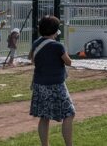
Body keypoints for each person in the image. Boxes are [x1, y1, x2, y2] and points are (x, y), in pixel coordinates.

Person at [29, 15, 75, 146]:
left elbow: (31, 59)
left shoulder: (36, 43)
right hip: (56, 85)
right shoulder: (57, 46)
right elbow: (69, 62)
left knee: (44, 117)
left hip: (39, 84)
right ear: (55, 30)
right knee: (69, 113)